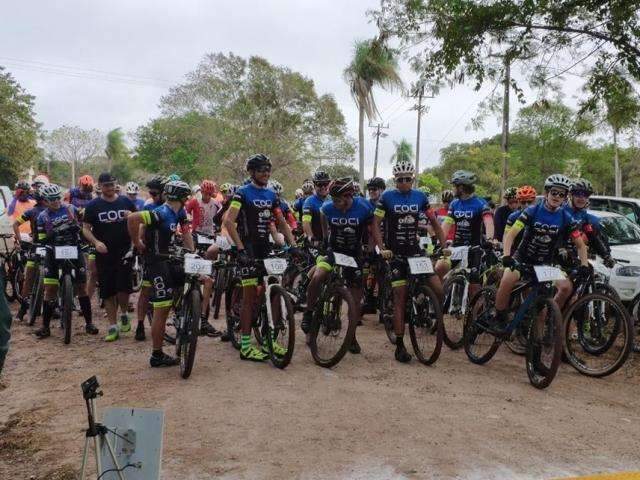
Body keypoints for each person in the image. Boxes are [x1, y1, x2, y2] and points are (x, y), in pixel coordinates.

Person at [223, 154, 298, 362]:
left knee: (273, 291)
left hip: (265, 248)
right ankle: (246, 347)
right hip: (247, 248)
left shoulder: (272, 194)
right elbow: (229, 222)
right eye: (261, 169)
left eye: (268, 169)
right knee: (249, 297)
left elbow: (281, 221)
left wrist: (293, 246)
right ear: (252, 172)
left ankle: (269, 341)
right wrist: (239, 249)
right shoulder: (242, 193)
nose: (266, 173)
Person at [372, 161, 447, 362]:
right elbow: (375, 225)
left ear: (412, 179)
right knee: (400, 297)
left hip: (415, 252)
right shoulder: (387, 197)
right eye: (400, 180)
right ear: (395, 181)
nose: (404, 183)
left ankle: (423, 300)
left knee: (438, 289)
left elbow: (434, 223)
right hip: (395, 254)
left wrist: (444, 245)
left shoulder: (420, 197)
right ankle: (400, 345)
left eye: (407, 179)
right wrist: (382, 248)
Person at [495, 174, 589, 330]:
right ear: (546, 193)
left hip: (544, 264)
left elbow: (580, 245)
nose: (557, 196)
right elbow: (511, 235)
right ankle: (498, 317)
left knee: (565, 288)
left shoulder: (566, 217)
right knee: (507, 279)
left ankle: (544, 331)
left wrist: (584, 265)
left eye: (561, 194)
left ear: (565, 197)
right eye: (554, 192)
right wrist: (506, 255)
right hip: (522, 259)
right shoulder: (532, 210)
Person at [300, 178, 373, 353]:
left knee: (355, 301)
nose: (334, 203)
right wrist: (325, 240)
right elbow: (324, 219)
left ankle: (352, 336)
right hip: (334, 252)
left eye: (337, 199)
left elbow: (371, 231)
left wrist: (370, 249)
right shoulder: (327, 208)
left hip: (354, 255)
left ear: (349, 196)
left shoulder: (363, 207)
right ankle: (309, 313)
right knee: (318, 276)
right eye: (332, 199)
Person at [127, 180, 194, 367]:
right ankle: (157, 354)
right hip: (156, 262)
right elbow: (132, 219)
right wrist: (137, 243)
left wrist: (193, 252)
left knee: (193, 279)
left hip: (171, 258)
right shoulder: (161, 213)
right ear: (183, 197)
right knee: (162, 308)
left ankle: (185, 312)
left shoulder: (179, 212)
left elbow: (187, 233)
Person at [34, 183, 97, 338]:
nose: (56, 201)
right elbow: (41, 240)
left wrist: (80, 230)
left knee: (82, 287)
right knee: (50, 290)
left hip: (74, 249)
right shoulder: (42, 217)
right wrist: (55, 232)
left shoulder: (71, 209)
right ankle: (45, 327)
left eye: (57, 198)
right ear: (45, 201)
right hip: (53, 252)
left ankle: (89, 323)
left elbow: (84, 225)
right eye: (51, 199)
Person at [83, 173, 137, 342]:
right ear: (100, 186)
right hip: (104, 253)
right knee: (107, 290)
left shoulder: (126, 202)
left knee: (123, 287)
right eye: (106, 185)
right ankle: (113, 326)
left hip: (124, 251)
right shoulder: (93, 206)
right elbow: (85, 228)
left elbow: (139, 221)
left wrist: (132, 217)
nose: (110, 188)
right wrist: (96, 242)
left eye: (112, 184)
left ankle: (124, 314)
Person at [434, 170, 496, 301]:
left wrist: (490, 239)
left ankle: (474, 317)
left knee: (474, 288)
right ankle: (437, 303)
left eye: (454, 186)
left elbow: (489, 222)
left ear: (461, 187)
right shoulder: (454, 204)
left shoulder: (480, 203)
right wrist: (439, 241)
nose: (453, 189)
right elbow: (447, 224)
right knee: (439, 267)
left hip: (474, 248)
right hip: (456, 247)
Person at [185, 179, 223, 337]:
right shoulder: (194, 201)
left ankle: (202, 317)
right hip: (195, 236)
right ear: (201, 191)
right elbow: (186, 214)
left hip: (210, 236)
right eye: (205, 193)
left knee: (210, 268)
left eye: (210, 194)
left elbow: (221, 219)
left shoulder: (216, 204)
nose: (207, 196)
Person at [133, 175, 167, 341]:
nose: (152, 196)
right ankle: (140, 324)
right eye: (151, 193)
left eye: (154, 193)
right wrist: (138, 244)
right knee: (146, 291)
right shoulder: (150, 207)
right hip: (151, 254)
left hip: (167, 253)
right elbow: (141, 228)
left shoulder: (173, 208)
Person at [562, 178, 615, 269]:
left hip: (573, 256)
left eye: (586, 195)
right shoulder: (561, 211)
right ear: (571, 195)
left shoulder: (584, 215)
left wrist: (606, 255)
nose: (582, 198)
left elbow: (594, 236)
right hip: (554, 256)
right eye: (578, 194)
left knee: (589, 275)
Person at [12, 186, 48, 321]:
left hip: (36, 246)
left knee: (29, 278)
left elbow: (15, 224)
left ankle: (22, 310)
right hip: (45, 247)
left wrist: (20, 241)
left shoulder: (31, 212)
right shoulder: (50, 211)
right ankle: (55, 304)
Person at [362, 176, 387, 313]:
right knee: (368, 271)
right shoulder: (366, 205)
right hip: (369, 243)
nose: (372, 191)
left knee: (382, 272)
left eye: (375, 189)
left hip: (385, 241)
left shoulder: (387, 203)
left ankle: (382, 300)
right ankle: (368, 297)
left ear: (382, 190)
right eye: (370, 189)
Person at [302, 170, 331, 246]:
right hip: (317, 241)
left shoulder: (333, 199)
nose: (323, 187)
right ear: (314, 186)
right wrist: (311, 237)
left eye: (325, 184)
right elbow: (306, 221)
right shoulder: (309, 201)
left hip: (331, 240)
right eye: (320, 184)